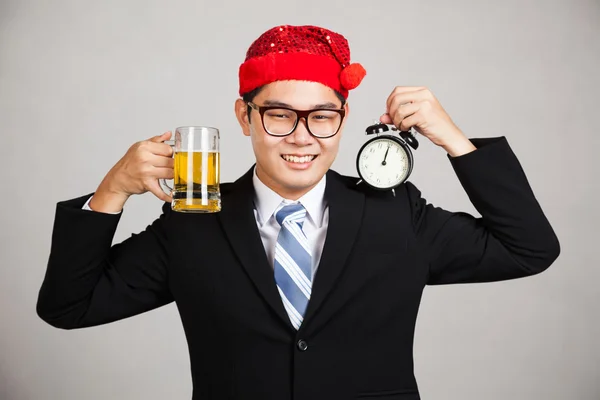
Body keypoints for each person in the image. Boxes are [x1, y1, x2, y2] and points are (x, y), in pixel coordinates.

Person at [36, 25, 560, 400]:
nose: (302, 137)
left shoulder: (395, 212)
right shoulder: (192, 220)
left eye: (322, 117)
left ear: (344, 116)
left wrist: (454, 140)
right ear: (244, 116)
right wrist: (113, 190)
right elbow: (68, 307)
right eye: (280, 115)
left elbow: (529, 249)